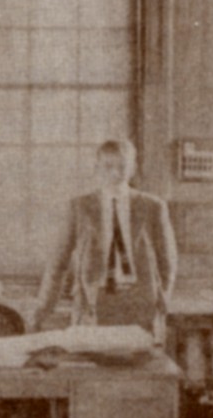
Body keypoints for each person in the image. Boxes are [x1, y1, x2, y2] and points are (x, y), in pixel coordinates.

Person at [33, 138, 178, 337]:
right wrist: (42, 309)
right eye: (108, 166)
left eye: (122, 166)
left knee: (139, 363)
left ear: (133, 168)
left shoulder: (153, 207)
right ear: (97, 168)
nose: (116, 173)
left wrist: (163, 299)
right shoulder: (80, 207)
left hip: (139, 302)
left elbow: (167, 260)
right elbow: (58, 263)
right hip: (94, 303)